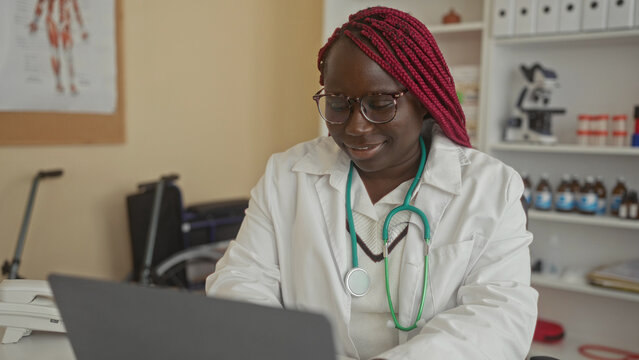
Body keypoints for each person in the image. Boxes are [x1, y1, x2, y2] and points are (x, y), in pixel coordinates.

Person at [206, 6, 538, 360]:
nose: (356, 127)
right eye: (337, 104)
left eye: (379, 104)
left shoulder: (490, 188)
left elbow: (498, 319)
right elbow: (240, 281)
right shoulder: (286, 176)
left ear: (423, 101)